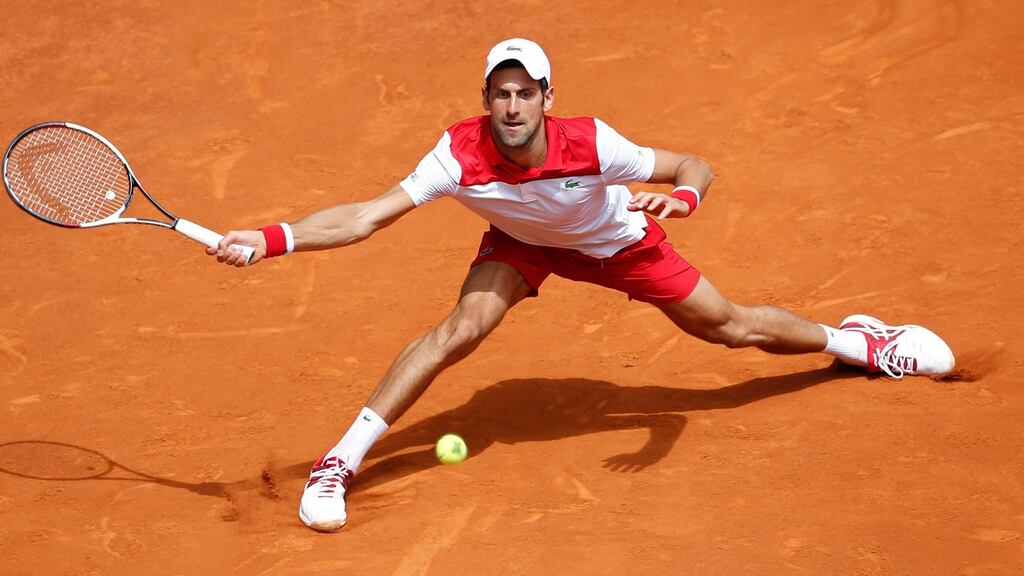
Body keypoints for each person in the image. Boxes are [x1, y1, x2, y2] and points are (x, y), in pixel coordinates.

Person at [208, 38, 955, 532]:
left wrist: (683, 200)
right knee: (459, 331)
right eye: (499, 94)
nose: (510, 107)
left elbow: (693, 164)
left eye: (524, 94)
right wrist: (273, 239)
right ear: (487, 98)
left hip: (614, 243)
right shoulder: (457, 152)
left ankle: (862, 341)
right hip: (523, 245)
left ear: (545, 97)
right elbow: (368, 216)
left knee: (731, 327)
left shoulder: (594, 144)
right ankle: (339, 463)